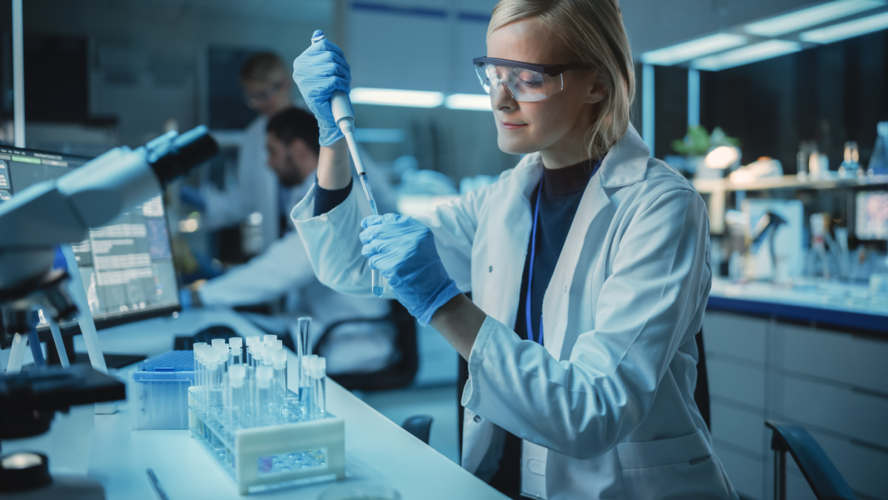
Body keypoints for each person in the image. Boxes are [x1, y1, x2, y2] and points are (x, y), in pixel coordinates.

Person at [289, 0, 739, 498]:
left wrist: (443, 304)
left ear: (598, 83)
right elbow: (355, 265)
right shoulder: (502, 200)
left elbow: (594, 411)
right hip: (500, 481)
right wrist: (331, 139)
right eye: (493, 73)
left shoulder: (662, 208)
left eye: (526, 78)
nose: (500, 100)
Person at [187, 107, 396, 375]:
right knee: (232, 336)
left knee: (233, 356)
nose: (268, 163)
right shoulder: (315, 194)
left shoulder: (333, 201)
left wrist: (199, 295)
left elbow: (283, 270)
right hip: (321, 325)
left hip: (349, 340)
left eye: (272, 151)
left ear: (298, 150)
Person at [181, 52, 294, 253]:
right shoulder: (253, 137)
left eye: (263, 95)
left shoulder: (320, 126)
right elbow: (245, 198)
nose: (258, 104)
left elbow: (363, 179)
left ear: (285, 84)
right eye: (251, 97)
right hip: (277, 249)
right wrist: (205, 202)